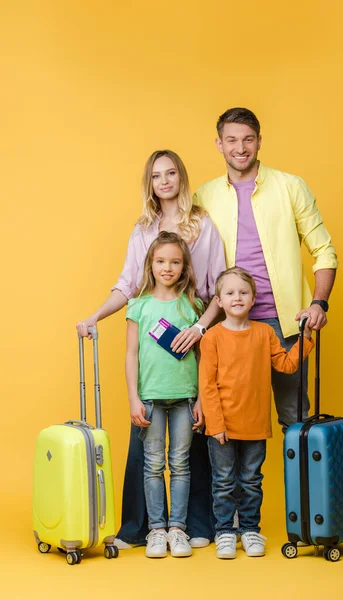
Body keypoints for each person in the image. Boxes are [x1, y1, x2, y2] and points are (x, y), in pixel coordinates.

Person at [76, 150, 226, 549]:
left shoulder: (202, 224)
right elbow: (127, 285)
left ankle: (193, 526)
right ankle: (142, 527)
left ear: (181, 176)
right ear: (150, 182)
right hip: (153, 350)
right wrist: (94, 316)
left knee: (190, 444)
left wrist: (198, 327)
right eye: (156, 175)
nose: (164, 181)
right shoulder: (143, 228)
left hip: (194, 331)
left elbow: (216, 286)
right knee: (148, 444)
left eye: (171, 172)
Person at [194, 108, 338, 430]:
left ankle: (302, 482)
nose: (240, 148)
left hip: (284, 325)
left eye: (248, 139)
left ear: (259, 141)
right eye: (231, 140)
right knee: (224, 424)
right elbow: (183, 254)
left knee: (295, 421)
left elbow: (324, 250)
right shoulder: (203, 195)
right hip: (227, 326)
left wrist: (318, 303)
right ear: (219, 144)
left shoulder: (291, 186)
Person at [199, 267, 314, 559]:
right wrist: (215, 425)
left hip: (256, 425)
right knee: (223, 482)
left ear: (253, 299)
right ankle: (225, 531)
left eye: (243, 292)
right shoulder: (211, 338)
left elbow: (286, 365)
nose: (237, 298)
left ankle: (250, 530)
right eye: (230, 293)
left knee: (252, 481)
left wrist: (306, 339)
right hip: (222, 426)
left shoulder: (265, 333)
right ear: (219, 301)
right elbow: (207, 386)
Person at [126, 231, 203, 558]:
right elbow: (131, 354)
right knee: (153, 465)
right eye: (160, 261)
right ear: (151, 264)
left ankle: (178, 530)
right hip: (150, 399)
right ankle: (156, 530)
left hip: (185, 398)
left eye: (175, 261)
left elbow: (202, 356)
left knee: (181, 465)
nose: (167, 267)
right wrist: (133, 397)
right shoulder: (138, 307)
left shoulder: (192, 305)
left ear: (184, 266)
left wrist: (201, 399)